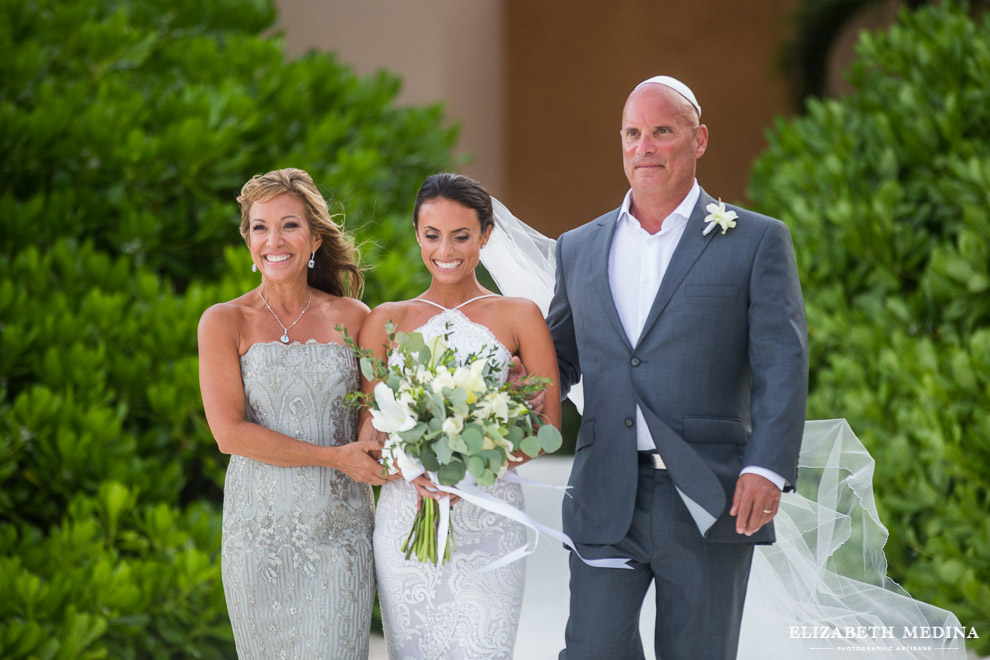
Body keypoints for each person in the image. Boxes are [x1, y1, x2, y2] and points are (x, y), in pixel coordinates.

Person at [547, 76, 808, 660]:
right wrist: (503, 405)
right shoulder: (578, 247)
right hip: (604, 490)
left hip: (707, 495)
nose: (645, 146)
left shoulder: (756, 240)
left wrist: (767, 467)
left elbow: (782, 363)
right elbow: (560, 358)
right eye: (633, 132)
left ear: (699, 140)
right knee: (591, 651)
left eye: (662, 131)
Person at [360, 173, 562, 659]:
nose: (444, 249)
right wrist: (414, 468)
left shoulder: (520, 315)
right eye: (432, 235)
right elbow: (368, 431)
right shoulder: (385, 318)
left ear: (486, 235)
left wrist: (472, 466)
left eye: (461, 236)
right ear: (416, 234)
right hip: (406, 520)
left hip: (490, 520)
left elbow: (548, 428)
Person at [198, 168, 391, 659]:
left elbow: (375, 409)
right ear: (247, 241)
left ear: (314, 240)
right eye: (260, 227)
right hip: (257, 537)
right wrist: (336, 458)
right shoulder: (223, 321)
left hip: (340, 534)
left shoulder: (354, 317)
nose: (273, 240)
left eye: (289, 225)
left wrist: (372, 437)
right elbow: (229, 434)